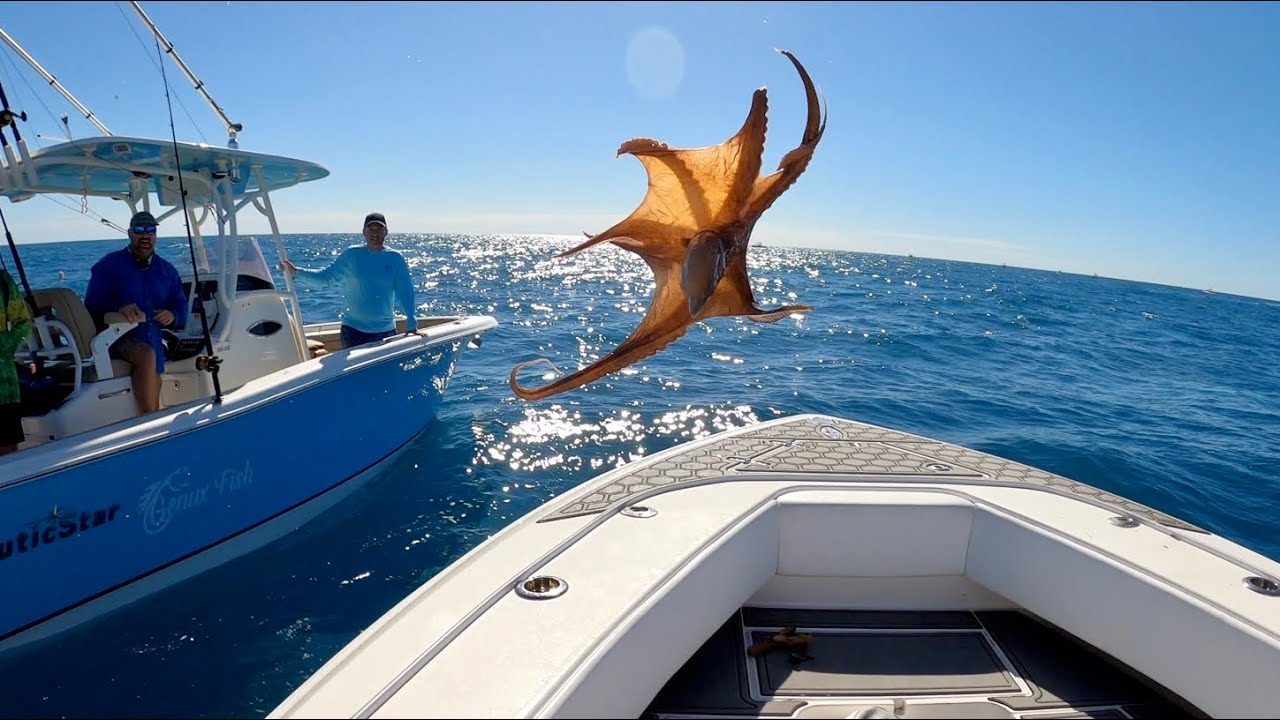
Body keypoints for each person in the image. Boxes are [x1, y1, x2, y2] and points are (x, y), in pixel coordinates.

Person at [84, 210, 189, 415]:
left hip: (153, 338)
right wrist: (118, 307)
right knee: (146, 355)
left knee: (154, 372)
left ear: (155, 236)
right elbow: (91, 304)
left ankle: (152, 421)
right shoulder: (109, 265)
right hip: (114, 339)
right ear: (130, 233)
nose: (145, 235)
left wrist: (173, 315)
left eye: (151, 230)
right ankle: (150, 423)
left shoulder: (167, 271)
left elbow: (180, 302)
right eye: (140, 230)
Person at [280, 212, 416, 348]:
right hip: (353, 331)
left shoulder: (395, 258)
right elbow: (325, 278)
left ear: (386, 232)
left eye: (379, 229)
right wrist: (296, 272)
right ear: (363, 232)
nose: (375, 233)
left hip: (385, 330)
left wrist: (411, 322)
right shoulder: (352, 254)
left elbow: (405, 292)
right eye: (371, 229)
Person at [1, 267, 33, 455]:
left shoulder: (3, 282)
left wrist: (4, 347)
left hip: (4, 386)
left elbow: (22, 322)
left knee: (7, 446)